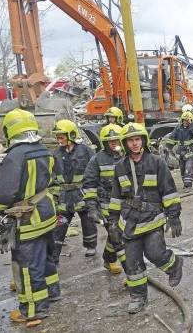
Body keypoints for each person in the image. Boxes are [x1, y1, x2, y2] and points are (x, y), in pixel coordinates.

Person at [109, 122, 183, 313]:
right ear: (125, 144)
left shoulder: (157, 162)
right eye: (130, 141)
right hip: (129, 223)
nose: (134, 144)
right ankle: (138, 297)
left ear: (143, 140)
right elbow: (116, 197)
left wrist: (174, 215)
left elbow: (168, 190)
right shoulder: (119, 167)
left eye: (137, 139)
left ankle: (174, 265)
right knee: (132, 262)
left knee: (155, 253)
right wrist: (112, 223)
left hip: (153, 219)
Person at [0, 109, 60, 323]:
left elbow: (5, 193)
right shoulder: (44, 149)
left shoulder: (15, 156)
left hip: (27, 219)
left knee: (27, 265)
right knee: (45, 256)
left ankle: (32, 310)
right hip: (46, 212)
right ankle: (52, 291)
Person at [82, 124, 125, 275]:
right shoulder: (96, 160)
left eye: (116, 140)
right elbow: (89, 185)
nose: (114, 143)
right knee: (117, 235)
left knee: (118, 235)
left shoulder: (128, 156)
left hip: (126, 206)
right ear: (104, 142)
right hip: (107, 207)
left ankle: (108, 258)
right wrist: (92, 208)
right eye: (110, 141)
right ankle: (126, 269)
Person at [51, 119, 96, 262]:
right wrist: (55, 196)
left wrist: (93, 193)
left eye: (61, 136)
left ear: (70, 135)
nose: (59, 139)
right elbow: (52, 176)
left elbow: (94, 171)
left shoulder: (85, 151)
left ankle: (91, 246)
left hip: (81, 194)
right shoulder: (56, 154)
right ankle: (54, 255)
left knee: (88, 220)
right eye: (57, 137)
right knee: (60, 225)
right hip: (64, 196)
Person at [165, 111, 193, 188]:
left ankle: (188, 185)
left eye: (187, 120)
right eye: (184, 120)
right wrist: (168, 146)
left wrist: (191, 125)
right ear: (182, 120)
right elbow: (172, 138)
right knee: (182, 169)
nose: (186, 122)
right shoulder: (178, 128)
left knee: (188, 167)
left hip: (190, 152)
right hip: (180, 152)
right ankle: (185, 183)